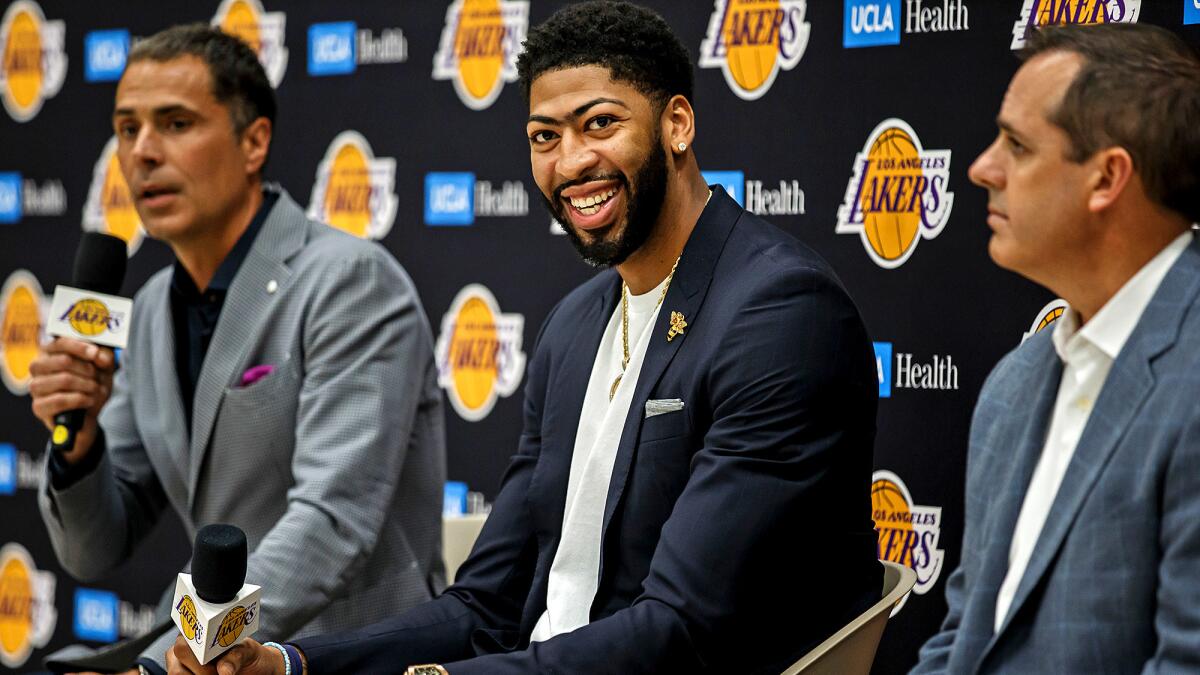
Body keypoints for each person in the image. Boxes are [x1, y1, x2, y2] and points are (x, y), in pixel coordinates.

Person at [172, 2, 881, 674]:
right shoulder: (574, 324)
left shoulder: (781, 313)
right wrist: (291, 662)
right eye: (546, 136)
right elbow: (487, 603)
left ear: (677, 125)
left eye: (599, 124)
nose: (570, 163)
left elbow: (679, 631)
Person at [29, 24, 446, 675]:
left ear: (254, 142)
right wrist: (78, 449)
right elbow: (94, 549)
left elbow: (331, 522)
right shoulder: (148, 312)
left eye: (174, 123)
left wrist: (166, 667)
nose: (142, 152)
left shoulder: (351, 281)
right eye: (128, 127)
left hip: (342, 653)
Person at [912, 23, 1200, 674]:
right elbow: (959, 642)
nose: (981, 168)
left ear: (1106, 179)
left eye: (1017, 145)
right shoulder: (1014, 383)